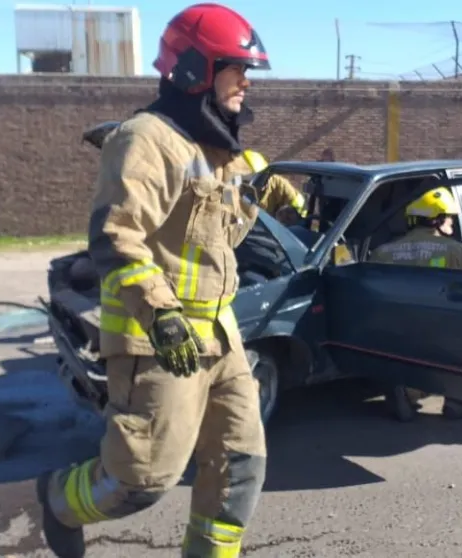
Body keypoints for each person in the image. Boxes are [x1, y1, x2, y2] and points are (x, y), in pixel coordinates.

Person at [34, 4, 271, 557]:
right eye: (236, 69)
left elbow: (216, 240)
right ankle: (59, 499)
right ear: (195, 70)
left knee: (240, 467)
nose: (246, 82)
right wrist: (160, 313)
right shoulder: (147, 139)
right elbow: (116, 235)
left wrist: (256, 197)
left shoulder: (217, 150)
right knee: (139, 480)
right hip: (160, 338)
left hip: (221, 336)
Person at [370, 186, 462, 421]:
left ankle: (405, 388)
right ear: (436, 219)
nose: (452, 223)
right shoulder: (457, 252)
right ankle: (458, 398)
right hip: (440, 330)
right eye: (448, 217)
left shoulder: (382, 252)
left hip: (394, 331)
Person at [241, 149, 308, 224]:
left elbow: (298, 204)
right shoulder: (235, 187)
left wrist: (290, 221)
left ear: (265, 175)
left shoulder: (279, 184)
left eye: (257, 179)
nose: (250, 186)